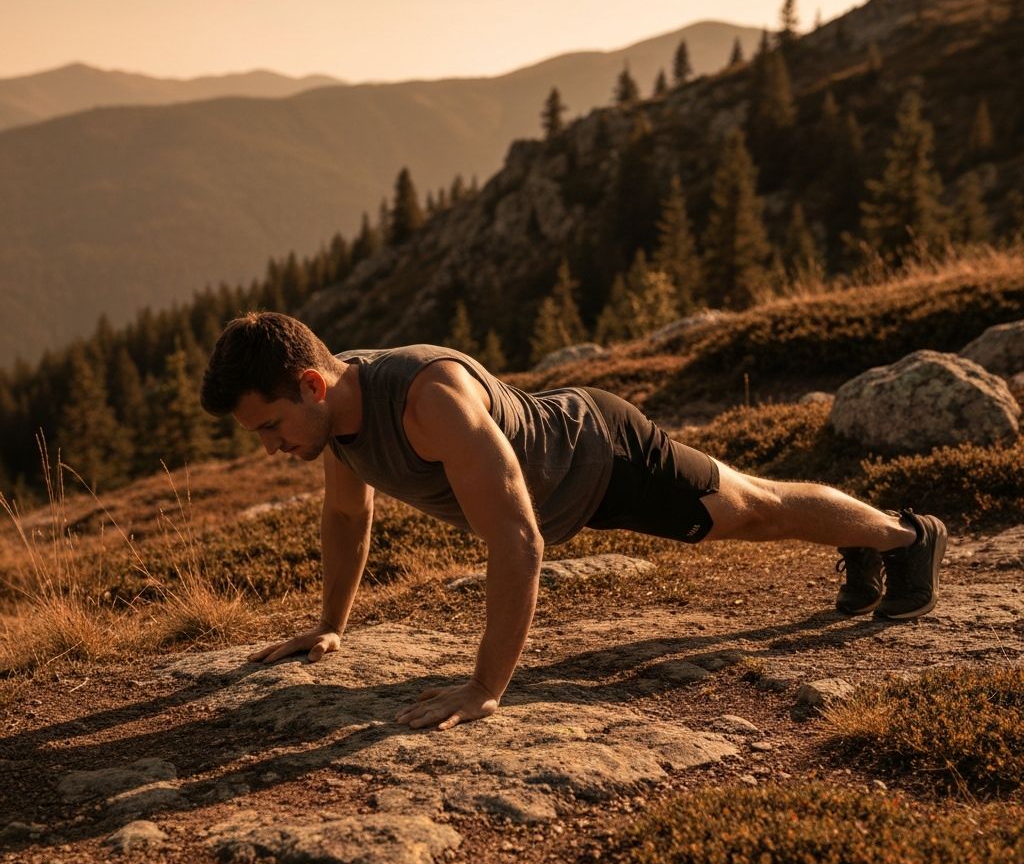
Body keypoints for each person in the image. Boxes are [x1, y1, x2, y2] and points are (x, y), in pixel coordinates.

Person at [200, 312, 947, 732]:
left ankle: (905, 536)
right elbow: (344, 512)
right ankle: (865, 542)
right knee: (759, 509)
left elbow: (517, 542)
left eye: (270, 427)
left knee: (757, 509)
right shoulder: (334, 420)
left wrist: (484, 688)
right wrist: (332, 625)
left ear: (310, 382)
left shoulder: (428, 400)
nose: (271, 447)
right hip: (562, 481)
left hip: (603, 456)